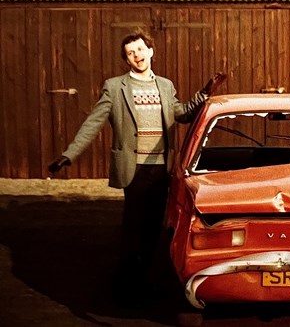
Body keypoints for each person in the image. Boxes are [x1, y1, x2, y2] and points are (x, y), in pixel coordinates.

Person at [48, 31, 226, 307]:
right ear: (126, 59)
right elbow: (92, 123)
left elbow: (181, 114)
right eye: (131, 53)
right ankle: (126, 287)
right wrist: (68, 154)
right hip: (134, 168)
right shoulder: (115, 87)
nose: (137, 55)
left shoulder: (165, 86)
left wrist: (205, 92)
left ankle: (143, 282)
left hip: (160, 169)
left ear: (151, 51)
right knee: (133, 229)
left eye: (141, 49)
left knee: (153, 230)